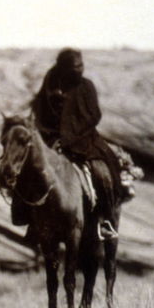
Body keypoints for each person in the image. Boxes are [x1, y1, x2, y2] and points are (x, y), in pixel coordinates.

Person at [30, 49, 139, 207]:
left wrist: (70, 137)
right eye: (76, 66)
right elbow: (40, 105)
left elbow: (95, 115)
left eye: (81, 65)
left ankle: (106, 217)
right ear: (64, 67)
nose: (80, 69)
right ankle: (22, 208)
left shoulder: (86, 86)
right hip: (50, 137)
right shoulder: (51, 81)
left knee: (103, 171)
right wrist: (47, 131)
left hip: (82, 139)